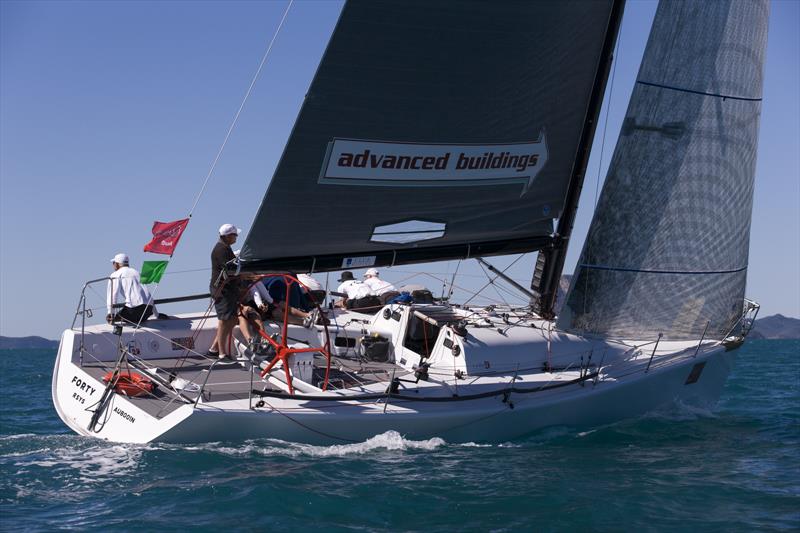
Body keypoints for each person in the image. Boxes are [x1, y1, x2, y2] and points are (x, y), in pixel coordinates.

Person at [209, 223, 240, 362]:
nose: (236, 237)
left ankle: (214, 348)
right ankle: (221, 353)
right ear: (228, 236)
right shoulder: (222, 250)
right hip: (222, 290)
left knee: (232, 319)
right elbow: (230, 269)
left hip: (227, 290)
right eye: (235, 235)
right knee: (224, 320)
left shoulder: (225, 248)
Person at [106, 253, 157, 325]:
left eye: (113, 263)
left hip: (134, 310)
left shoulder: (116, 274)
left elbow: (113, 295)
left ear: (117, 264)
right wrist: (156, 314)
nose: (113, 265)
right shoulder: (136, 272)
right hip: (148, 310)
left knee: (116, 318)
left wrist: (110, 313)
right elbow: (146, 293)